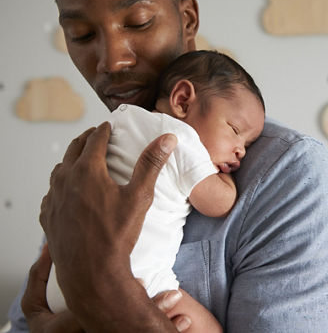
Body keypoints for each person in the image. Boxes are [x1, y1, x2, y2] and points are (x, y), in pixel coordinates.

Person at [7, 0, 328, 332]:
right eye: (81, 34)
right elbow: (28, 317)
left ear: (187, 19)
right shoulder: (90, 165)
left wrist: (111, 297)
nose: (112, 61)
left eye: (138, 22)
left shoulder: (289, 176)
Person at [46, 50, 266, 332]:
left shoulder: (120, 121)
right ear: (182, 100)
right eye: (235, 130)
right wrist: (226, 180)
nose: (240, 151)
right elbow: (219, 203)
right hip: (138, 282)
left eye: (247, 144)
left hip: (61, 285)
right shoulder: (182, 139)